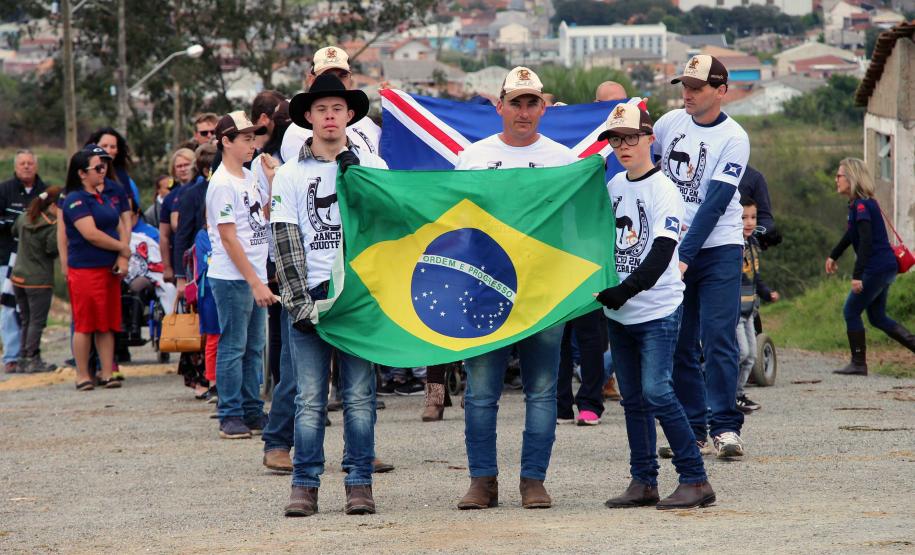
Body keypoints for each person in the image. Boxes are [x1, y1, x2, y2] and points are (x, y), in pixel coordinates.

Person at [453, 66, 578, 510]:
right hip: (485, 289)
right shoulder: (472, 157)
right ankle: (481, 481)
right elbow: (455, 222)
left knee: (542, 390)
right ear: (500, 106)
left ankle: (533, 480)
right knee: (482, 390)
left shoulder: (564, 161)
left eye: (532, 103)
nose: (523, 112)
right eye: (516, 102)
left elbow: (574, 229)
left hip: (543, 291)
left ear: (543, 107)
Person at [271, 73, 387, 517]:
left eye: (337, 108)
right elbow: (285, 237)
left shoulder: (372, 168)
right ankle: (305, 484)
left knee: (359, 397)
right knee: (309, 398)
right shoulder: (290, 173)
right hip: (310, 295)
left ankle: (359, 482)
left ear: (350, 115)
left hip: (357, 298)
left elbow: (387, 229)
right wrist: (299, 300)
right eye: (321, 109)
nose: (330, 116)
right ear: (309, 118)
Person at [595, 102, 715, 510]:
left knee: (658, 392)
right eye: (615, 139)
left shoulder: (665, 189)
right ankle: (643, 480)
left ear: (649, 138)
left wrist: (625, 290)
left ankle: (695, 479)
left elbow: (664, 249)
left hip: (656, 309)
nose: (622, 146)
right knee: (633, 399)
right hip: (619, 312)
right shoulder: (613, 188)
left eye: (630, 137)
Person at [653, 55, 749, 459]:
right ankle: (692, 428)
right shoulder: (669, 124)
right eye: (684, 87)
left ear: (721, 91)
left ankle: (725, 426)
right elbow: (633, 148)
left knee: (718, 336)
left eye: (697, 88)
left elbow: (715, 203)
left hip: (719, 247)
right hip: (675, 246)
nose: (687, 95)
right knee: (679, 342)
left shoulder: (734, 138)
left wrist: (686, 256)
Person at [206, 111, 274, 437]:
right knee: (234, 345)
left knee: (253, 347)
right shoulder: (221, 183)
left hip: (252, 272)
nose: (253, 144)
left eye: (253, 137)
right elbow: (229, 238)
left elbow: (260, 216)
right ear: (226, 142)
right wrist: (254, 280)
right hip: (233, 276)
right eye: (245, 138)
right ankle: (230, 412)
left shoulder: (248, 176)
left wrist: (272, 183)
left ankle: (251, 409)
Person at [826, 158, 915, 375]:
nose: (836, 179)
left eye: (840, 175)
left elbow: (865, 242)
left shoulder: (862, 206)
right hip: (885, 267)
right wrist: (833, 256)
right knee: (877, 317)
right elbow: (851, 235)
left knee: (851, 310)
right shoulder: (861, 204)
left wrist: (857, 276)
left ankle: (858, 363)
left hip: (876, 268)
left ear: (852, 178)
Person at [61, 148, 130, 391]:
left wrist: (122, 255)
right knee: (85, 323)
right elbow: (90, 234)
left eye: (103, 167)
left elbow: (121, 223)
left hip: (108, 269)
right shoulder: (74, 199)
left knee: (108, 322)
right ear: (81, 173)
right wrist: (123, 248)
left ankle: (107, 372)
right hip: (85, 270)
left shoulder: (105, 196)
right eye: (97, 168)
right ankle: (82, 374)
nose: (103, 171)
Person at [280, 46, 381, 163]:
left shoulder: (368, 125)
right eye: (328, 75)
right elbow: (303, 175)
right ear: (311, 80)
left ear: (351, 79)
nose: (336, 81)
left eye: (342, 76)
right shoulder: (297, 133)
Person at [0, 150, 47, 372]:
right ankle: (11, 355)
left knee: (32, 310)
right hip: (7, 257)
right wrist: (18, 223)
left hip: (37, 261)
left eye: (30, 163)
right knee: (9, 306)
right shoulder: (4, 190)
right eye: (22, 163)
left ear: (36, 166)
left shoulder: (45, 193)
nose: (26, 166)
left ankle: (31, 353)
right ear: (16, 166)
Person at [10, 187, 61, 373]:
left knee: (26, 319)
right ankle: (33, 358)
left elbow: (14, 230)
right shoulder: (52, 225)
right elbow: (52, 250)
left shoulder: (25, 217)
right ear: (54, 206)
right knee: (37, 322)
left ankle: (22, 358)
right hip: (39, 280)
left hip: (18, 277)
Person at [735, 197, 778, 412]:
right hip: (734, 311)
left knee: (751, 355)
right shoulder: (732, 245)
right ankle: (724, 394)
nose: (749, 222)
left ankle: (738, 393)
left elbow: (755, 276)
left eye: (753, 217)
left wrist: (767, 292)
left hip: (750, 309)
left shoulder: (752, 243)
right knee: (740, 353)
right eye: (744, 217)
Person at [161, 148, 199, 284]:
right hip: (181, 258)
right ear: (173, 169)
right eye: (179, 166)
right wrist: (167, 267)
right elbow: (164, 235)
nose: (183, 169)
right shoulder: (170, 198)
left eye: (186, 164)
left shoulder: (201, 189)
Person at [86, 127, 140, 208]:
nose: (108, 151)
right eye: (104, 146)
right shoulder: (83, 171)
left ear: (117, 150)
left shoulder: (122, 176)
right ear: (94, 145)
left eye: (113, 147)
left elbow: (129, 209)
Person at [738, 165, 781, 250]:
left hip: (745, 251)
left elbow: (764, 217)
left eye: (753, 217)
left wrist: (761, 235)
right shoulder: (708, 170)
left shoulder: (754, 178)